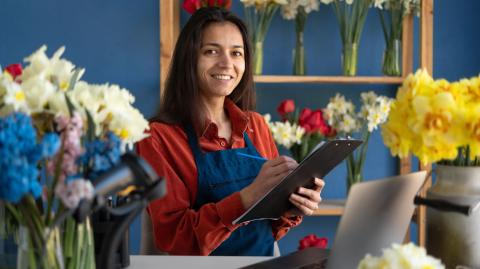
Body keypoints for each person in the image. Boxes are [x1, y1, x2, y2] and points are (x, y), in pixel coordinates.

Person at [136, 7, 325, 256]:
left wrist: (291, 208)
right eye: (211, 51)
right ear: (189, 59)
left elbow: (269, 230)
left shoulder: (256, 126)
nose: (227, 63)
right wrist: (247, 198)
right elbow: (176, 238)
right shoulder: (159, 138)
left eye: (236, 53)